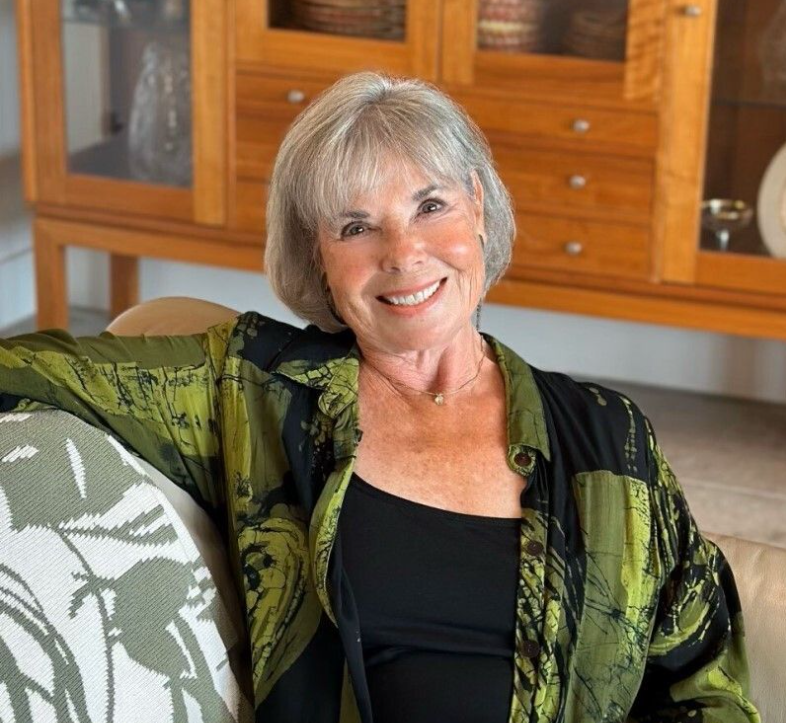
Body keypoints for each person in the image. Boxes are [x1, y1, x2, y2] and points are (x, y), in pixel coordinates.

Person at [0, 71, 760, 723]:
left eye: (430, 206)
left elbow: (703, 678)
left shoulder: (608, 437)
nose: (403, 254)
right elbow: (34, 368)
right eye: (357, 226)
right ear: (318, 259)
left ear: (478, 209)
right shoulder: (262, 390)